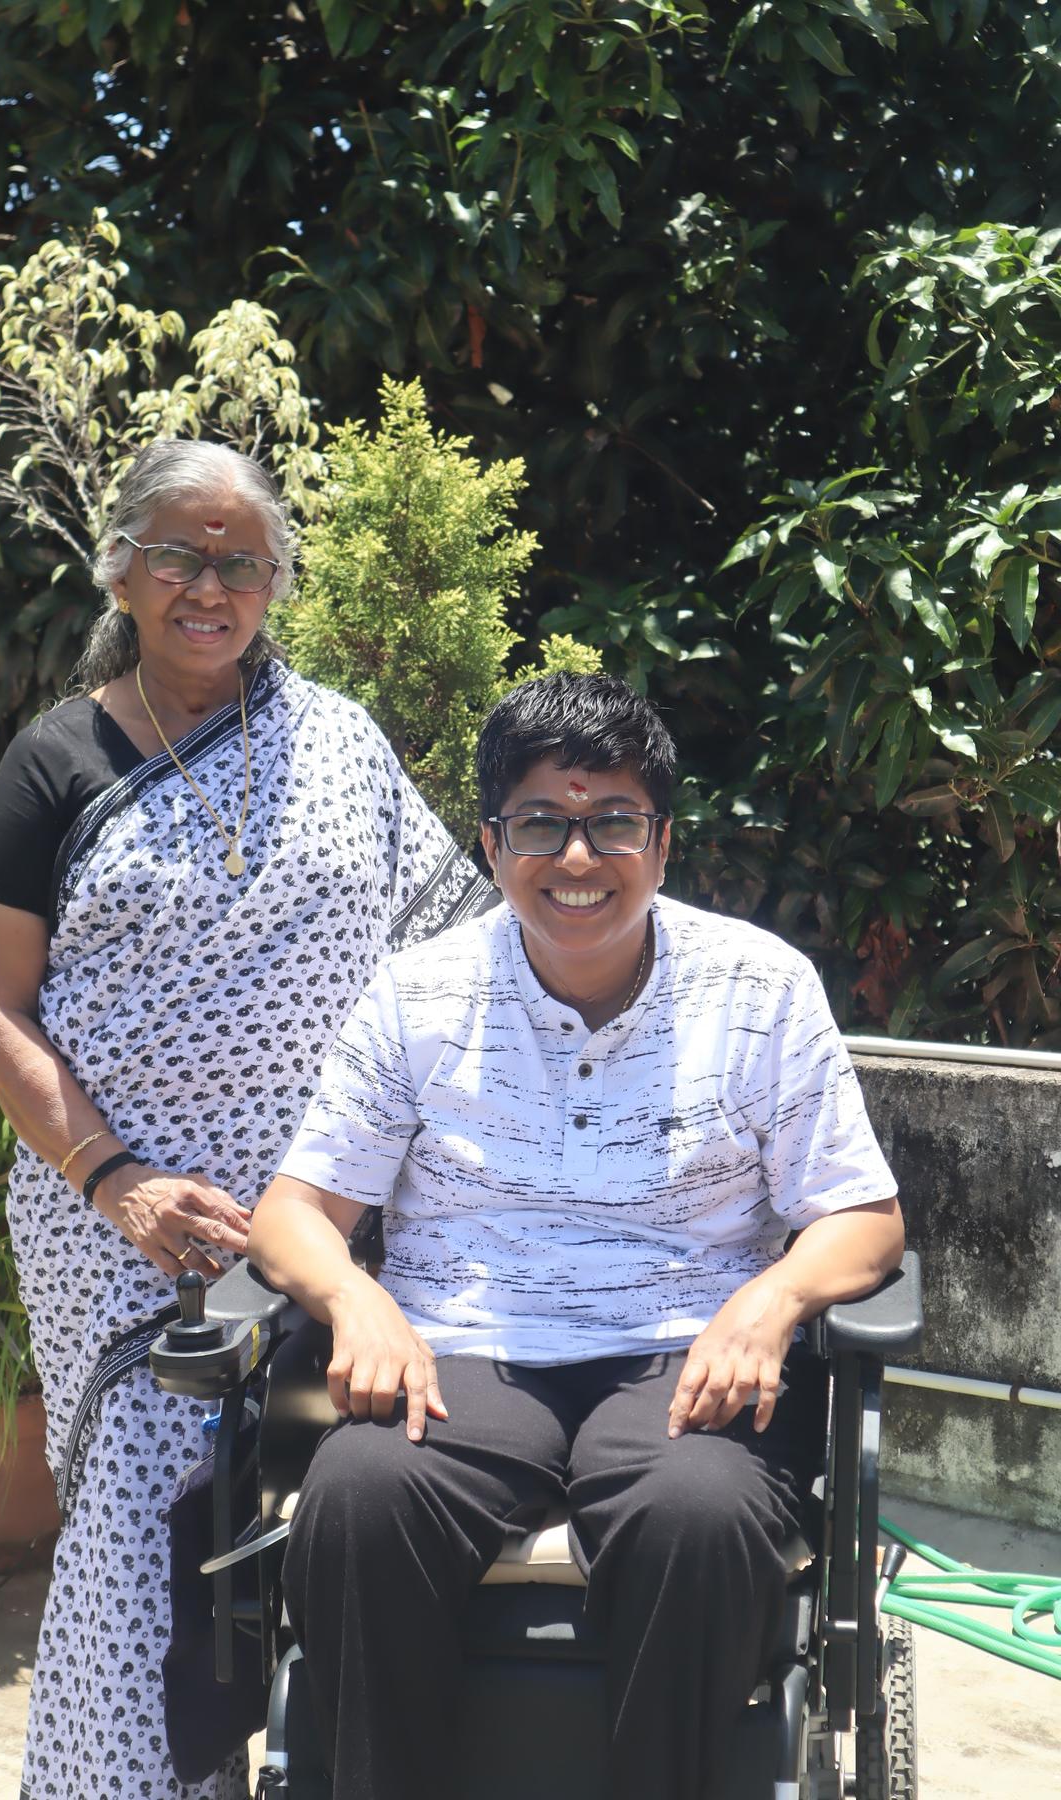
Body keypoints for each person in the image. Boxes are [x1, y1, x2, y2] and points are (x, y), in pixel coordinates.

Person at [247, 671, 904, 1800]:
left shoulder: (760, 989)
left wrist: (775, 1299)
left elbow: (863, 1217)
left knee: (697, 1511)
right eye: (542, 823)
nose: (579, 857)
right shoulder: (418, 995)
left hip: (687, 1352)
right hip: (464, 1351)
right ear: (493, 843)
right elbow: (292, 1213)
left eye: (614, 823)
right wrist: (357, 1300)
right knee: (360, 1495)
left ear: (664, 841)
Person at [0, 438, 490, 1800]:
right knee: (145, 1538)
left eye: (241, 562)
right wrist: (115, 1177)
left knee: (331, 1522)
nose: (209, 587)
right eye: (179, 557)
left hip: (337, 1212)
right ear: (119, 569)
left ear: (276, 582)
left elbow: (456, 947)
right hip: (125, 1227)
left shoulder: (342, 745)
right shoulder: (56, 760)